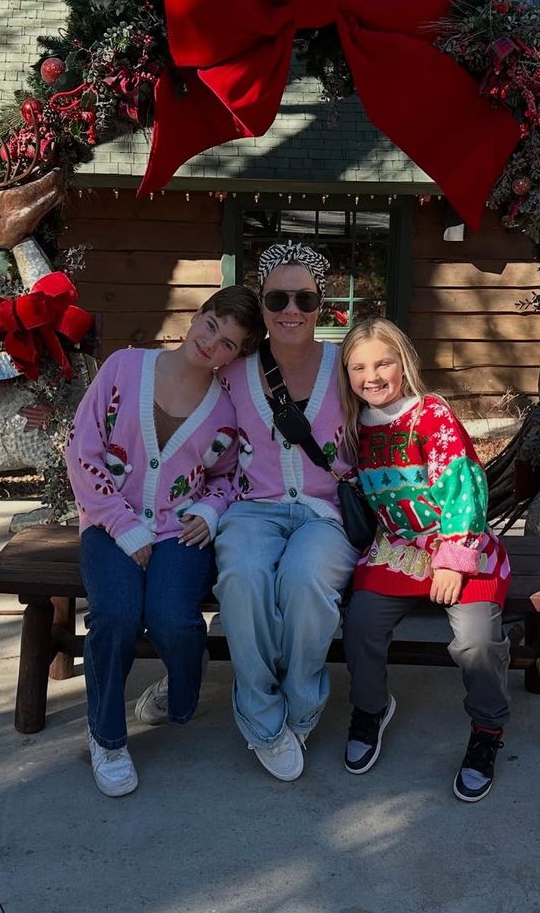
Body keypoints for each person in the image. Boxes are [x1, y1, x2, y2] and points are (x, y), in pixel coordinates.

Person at [64, 285, 264, 797]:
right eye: (213, 326)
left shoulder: (224, 407)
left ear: (236, 357)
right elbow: (82, 447)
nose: (213, 343)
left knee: (175, 620)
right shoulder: (124, 368)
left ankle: (181, 685)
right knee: (115, 617)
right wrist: (118, 521)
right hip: (110, 525)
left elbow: (227, 475)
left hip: (180, 530)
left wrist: (210, 509)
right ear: (198, 315)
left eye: (229, 345)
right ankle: (108, 737)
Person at [339, 317, 511, 802]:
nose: (371, 376)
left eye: (383, 363)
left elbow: (463, 485)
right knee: (361, 623)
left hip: (456, 542)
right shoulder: (354, 426)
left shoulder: (430, 415)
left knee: (476, 638)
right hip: (396, 548)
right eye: (358, 367)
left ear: (404, 364)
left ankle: (487, 729)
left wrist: (454, 561)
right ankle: (370, 707)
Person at [213, 241, 361, 782]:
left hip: (325, 513)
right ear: (263, 305)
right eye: (278, 299)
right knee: (244, 576)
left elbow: (397, 411)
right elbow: (208, 443)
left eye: (304, 298)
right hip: (254, 510)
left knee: (304, 580)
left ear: (322, 304)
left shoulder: (347, 365)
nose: (291, 310)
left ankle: (302, 704)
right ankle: (258, 709)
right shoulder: (233, 372)